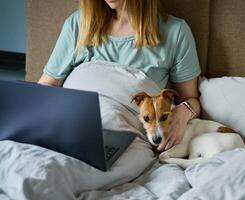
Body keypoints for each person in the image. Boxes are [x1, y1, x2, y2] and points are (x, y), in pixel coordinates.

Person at [38, 0, 201, 151]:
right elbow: (47, 85)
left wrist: (183, 113)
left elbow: (190, 99)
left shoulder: (175, 32)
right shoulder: (78, 24)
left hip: (124, 141)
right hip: (66, 127)